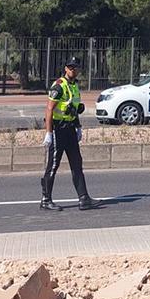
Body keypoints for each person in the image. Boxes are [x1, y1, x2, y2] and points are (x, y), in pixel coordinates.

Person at [40, 57, 96, 211]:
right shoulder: (59, 86)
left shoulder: (75, 86)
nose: (73, 70)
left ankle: (84, 198)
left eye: (75, 68)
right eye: (70, 67)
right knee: (53, 165)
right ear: (65, 69)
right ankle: (46, 199)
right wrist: (48, 133)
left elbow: (73, 108)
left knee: (77, 163)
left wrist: (78, 127)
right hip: (58, 130)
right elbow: (49, 109)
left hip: (70, 129)